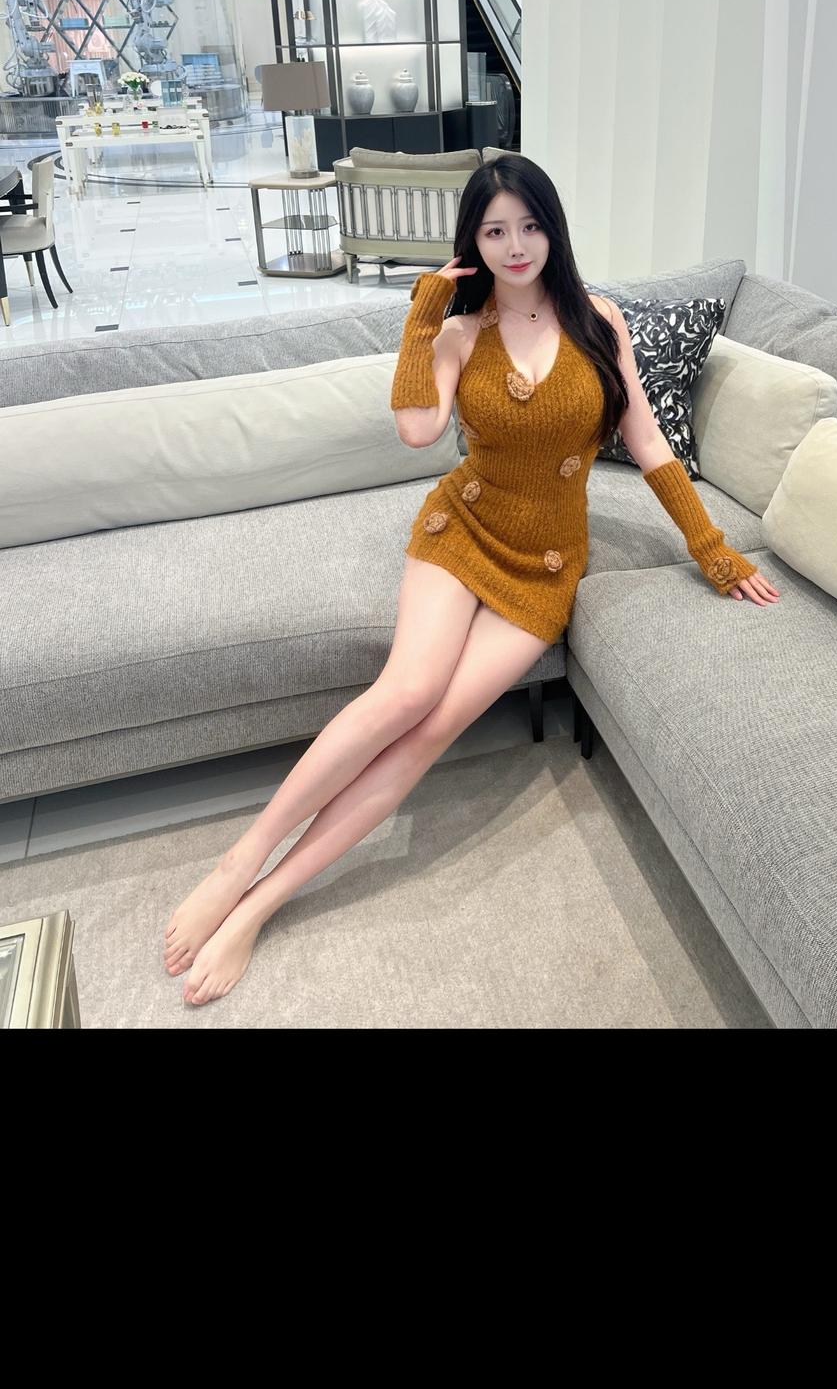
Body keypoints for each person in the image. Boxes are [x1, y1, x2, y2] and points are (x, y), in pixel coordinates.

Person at [163, 152, 779, 1005]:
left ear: (553, 230)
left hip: (546, 563)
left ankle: (261, 905)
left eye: (529, 226)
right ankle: (241, 862)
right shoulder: (462, 333)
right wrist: (424, 319)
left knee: (430, 732)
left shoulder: (600, 321)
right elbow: (418, 430)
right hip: (462, 529)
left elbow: (645, 440)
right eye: (495, 231)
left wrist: (710, 546)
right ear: (473, 242)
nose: (515, 245)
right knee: (406, 693)